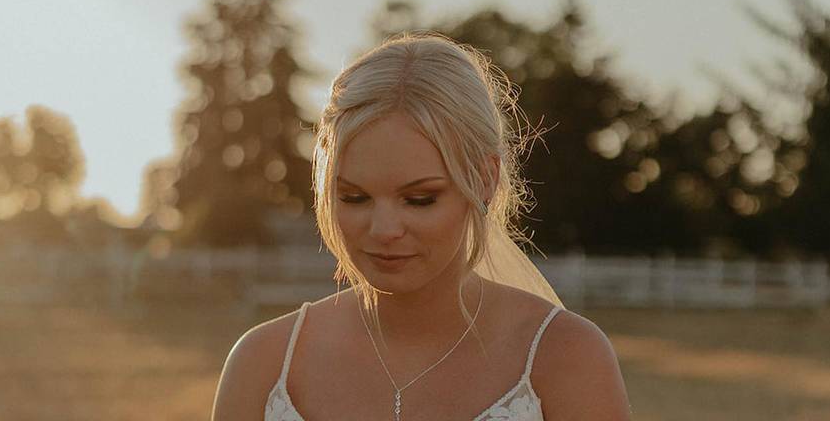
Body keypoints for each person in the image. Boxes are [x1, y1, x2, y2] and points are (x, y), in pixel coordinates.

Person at [212, 32, 632, 420]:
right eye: (354, 197)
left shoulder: (566, 359)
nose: (383, 228)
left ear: (484, 180)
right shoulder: (262, 364)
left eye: (419, 199)